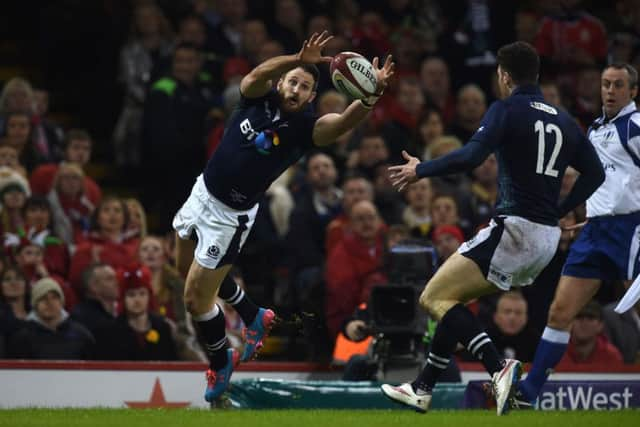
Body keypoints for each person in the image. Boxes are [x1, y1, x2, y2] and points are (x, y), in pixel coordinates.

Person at [380, 41, 604, 415]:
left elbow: (471, 156)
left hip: (515, 229)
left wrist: (421, 169)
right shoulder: (564, 119)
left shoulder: (507, 108)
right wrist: (561, 209)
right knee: (454, 299)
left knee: (432, 297)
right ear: (536, 75)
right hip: (546, 240)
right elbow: (594, 173)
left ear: (503, 75)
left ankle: (498, 367)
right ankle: (422, 387)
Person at [172, 31, 395, 402]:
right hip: (202, 192)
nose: (295, 89)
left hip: (229, 217)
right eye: (292, 81)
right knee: (182, 267)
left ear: (311, 97)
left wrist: (370, 95)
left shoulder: (306, 130)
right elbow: (256, 75)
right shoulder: (258, 97)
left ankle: (220, 358)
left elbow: (340, 124)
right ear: (283, 82)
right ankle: (251, 313)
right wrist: (297, 58)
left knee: (196, 299)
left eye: (304, 87)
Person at [514, 62, 640, 407]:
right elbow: (611, 181)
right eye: (605, 84)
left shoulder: (635, 127)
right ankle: (528, 393)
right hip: (596, 231)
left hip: (631, 229)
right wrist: (597, 214)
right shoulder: (597, 129)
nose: (610, 91)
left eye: (618, 85)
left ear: (633, 92)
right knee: (559, 311)